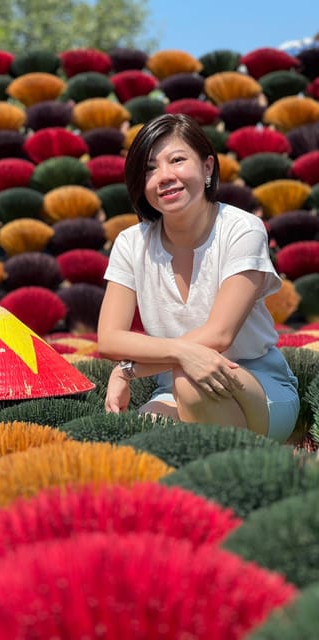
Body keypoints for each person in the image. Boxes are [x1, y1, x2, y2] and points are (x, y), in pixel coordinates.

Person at [97, 113, 299, 443]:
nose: (164, 176)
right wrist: (176, 356)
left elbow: (219, 335)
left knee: (191, 380)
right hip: (172, 390)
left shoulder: (241, 230)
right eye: (150, 168)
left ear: (207, 168)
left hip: (260, 388)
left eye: (177, 160)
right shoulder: (131, 244)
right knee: (144, 440)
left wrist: (129, 370)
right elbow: (109, 338)